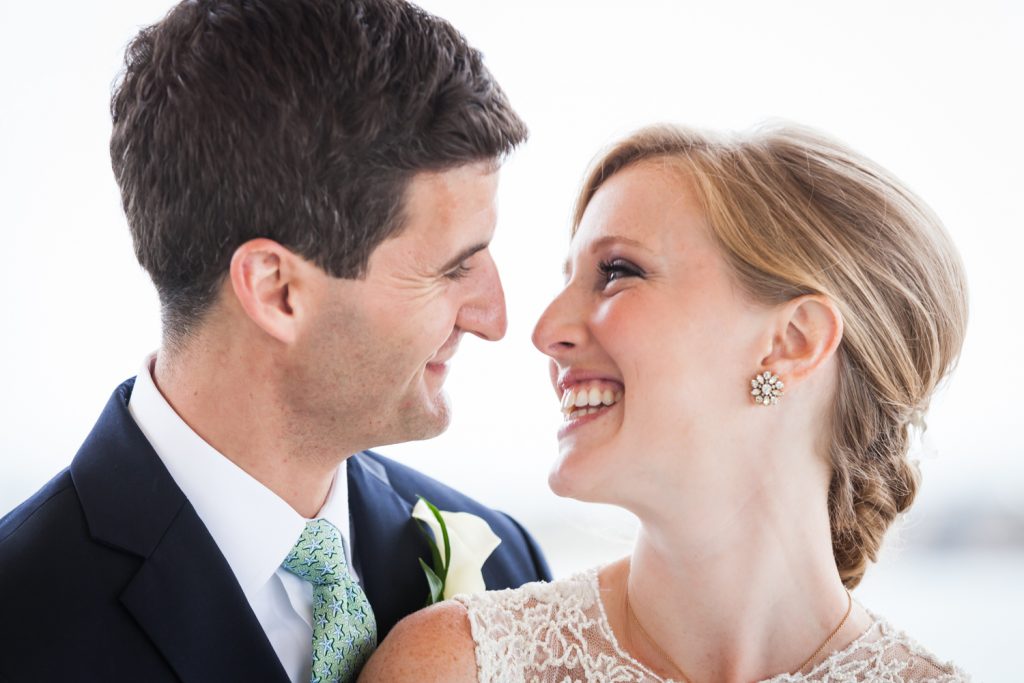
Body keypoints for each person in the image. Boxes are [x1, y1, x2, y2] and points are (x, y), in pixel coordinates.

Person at [0, 1, 551, 681]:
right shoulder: (19, 623)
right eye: (453, 267)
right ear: (276, 289)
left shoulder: (506, 572)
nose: (494, 318)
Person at [360, 123, 972, 682]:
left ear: (792, 341)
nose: (545, 331)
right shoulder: (456, 666)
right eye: (567, 277)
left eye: (617, 271)